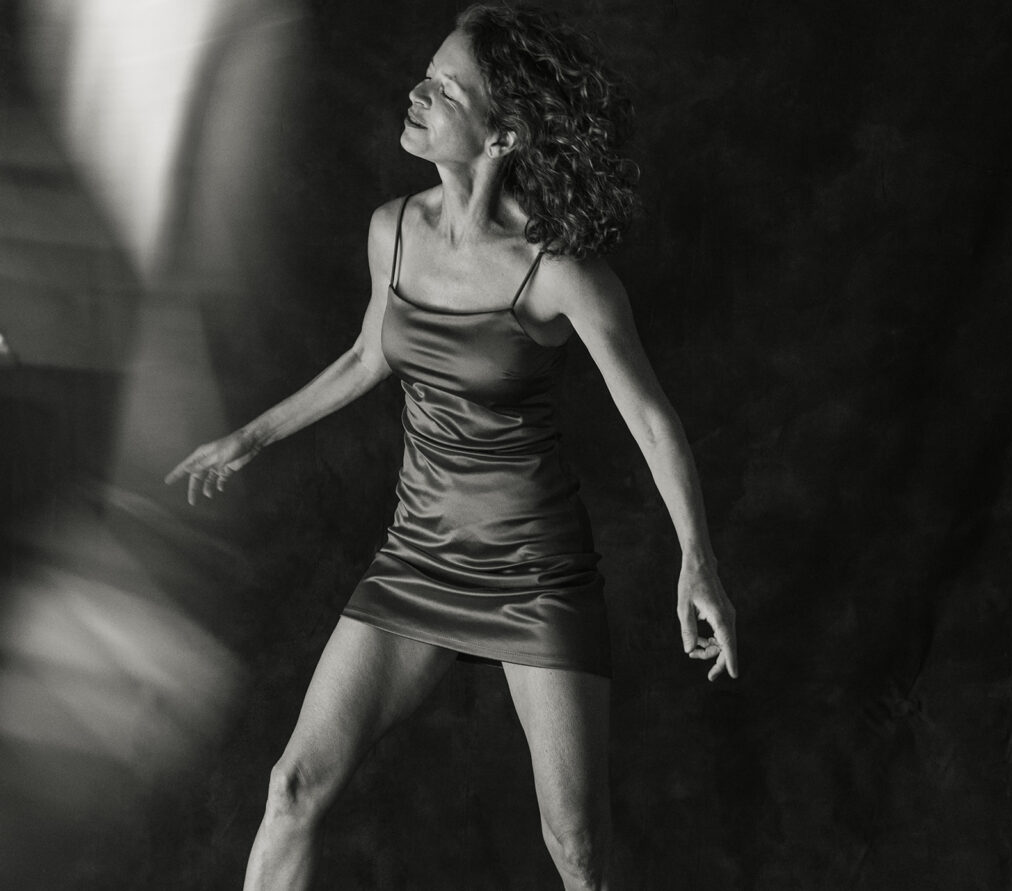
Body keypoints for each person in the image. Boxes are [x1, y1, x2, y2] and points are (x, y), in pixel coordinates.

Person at [166, 4, 738, 889]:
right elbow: (368, 356)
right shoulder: (392, 231)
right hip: (418, 555)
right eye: (423, 77)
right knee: (292, 786)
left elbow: (651, 418)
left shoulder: (558, 272)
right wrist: (248, 436)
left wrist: (697, 559)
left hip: (533, 571)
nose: (416, 93)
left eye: (443, 88)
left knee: (577, 847)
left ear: (503, 131)